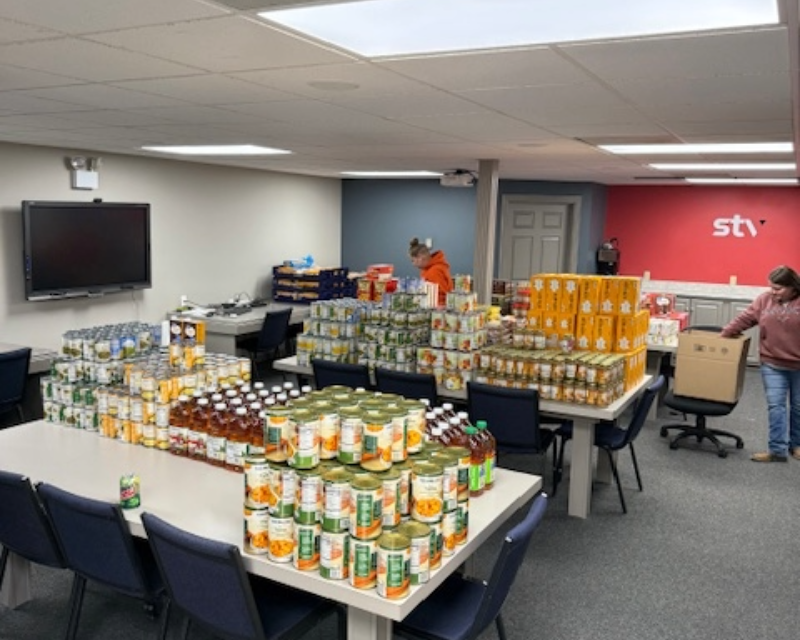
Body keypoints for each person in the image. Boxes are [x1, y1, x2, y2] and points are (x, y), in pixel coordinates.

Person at [721, 265, 800, 462]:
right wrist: (724, 334)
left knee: (798, 408)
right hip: (772, 363)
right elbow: (746, 318)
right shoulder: (765, 300)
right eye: (771, 287)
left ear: (792, 287)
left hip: (799, 365)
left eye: (778, 288)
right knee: (776, 407)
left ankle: (796, 445)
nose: (773, 292)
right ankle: (777, 450)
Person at [409, 237, 453, 306]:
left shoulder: (435, 271)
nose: (413, 265)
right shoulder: (427, 270)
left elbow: (442, 297)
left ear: (420, 257)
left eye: (413, 261)